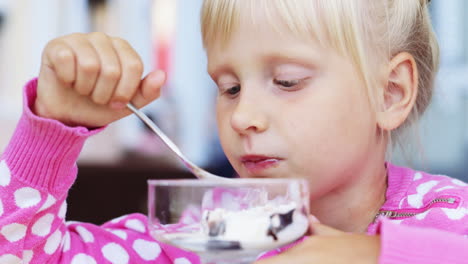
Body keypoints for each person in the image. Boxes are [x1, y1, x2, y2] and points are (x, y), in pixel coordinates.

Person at [0, 0, 467, 263]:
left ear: (389, 92)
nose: (243, 116)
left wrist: (372, 256)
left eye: (287, 81)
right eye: (229, 87)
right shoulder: (204, 236)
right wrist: (51, 130)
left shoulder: (449, 216)